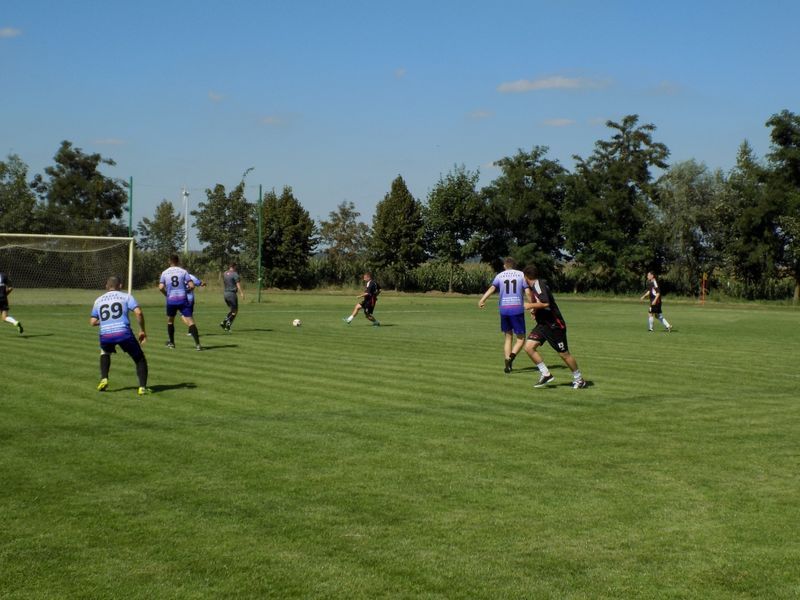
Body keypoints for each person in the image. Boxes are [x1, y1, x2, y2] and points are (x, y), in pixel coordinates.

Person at [522, 265, 587, 389]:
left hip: (554, 325)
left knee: (564, 354)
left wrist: (530, 305)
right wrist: (534, 310)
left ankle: (579, 379)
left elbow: (546, 303)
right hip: (543, 325)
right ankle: (546, 374)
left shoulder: (538, 285)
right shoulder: (535, 286)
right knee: (529, 347)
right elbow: (541, 303)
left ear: (526, 277)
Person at [90, 275, 150, 396]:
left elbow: (92, 322)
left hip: (105, 334)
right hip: (123, 332)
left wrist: (107, 320)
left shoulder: (98, 300)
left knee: (105, 352)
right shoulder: (126, 297)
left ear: (107, 286)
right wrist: (142, 330)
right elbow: (138, 312)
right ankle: (142, 388)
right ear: (120, 286)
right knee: (139, 358)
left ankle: (104, 378)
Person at [478, 257, 527, 373]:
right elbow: (528, 291)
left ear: (505, 266)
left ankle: (507, 362)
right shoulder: (521, 275)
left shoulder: (500, 276)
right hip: (517, 309)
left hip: (504, 309)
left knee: (508, 337)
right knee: (521, 339)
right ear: (514, 266)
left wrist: (482, 300)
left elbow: (492, 288)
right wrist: (532, 308)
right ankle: (511, 359)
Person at [158, 254, 201, 350]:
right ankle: (198, 345)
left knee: (170, 321)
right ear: (178, 261)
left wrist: (166, 294)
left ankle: (172, 343)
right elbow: (192, 285)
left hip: (171, 300)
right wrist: (187, 291)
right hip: (182, 299)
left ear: (169, 261)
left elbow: (160, 287)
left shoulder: (165, 273)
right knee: (190, 322)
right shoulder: (183, 271)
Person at [220, 262, 244, 332]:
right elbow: (238, 284)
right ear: (234, 267)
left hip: (225, 294)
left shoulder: (224, 273)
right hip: (232, 294)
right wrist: (241, 293)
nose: (236, 268)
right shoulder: (235, 274)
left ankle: (223, 323)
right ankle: (228, 325)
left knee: (232, 310)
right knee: (235, 311)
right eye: (236, 267)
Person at [0, 270, 23, 334]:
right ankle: (15, 322)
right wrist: (4, 295)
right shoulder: (3, 275)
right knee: (4, 317)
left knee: (4, 317)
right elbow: (11, 287)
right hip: (3, 298)